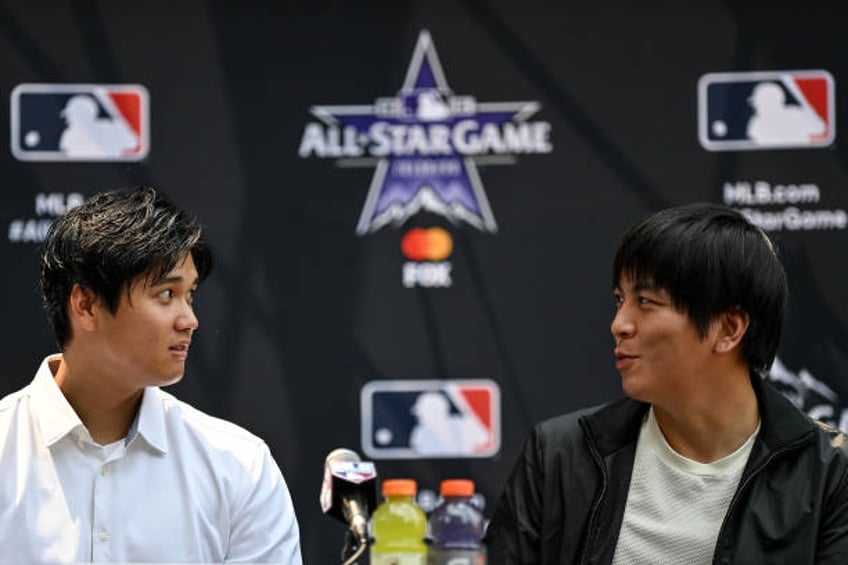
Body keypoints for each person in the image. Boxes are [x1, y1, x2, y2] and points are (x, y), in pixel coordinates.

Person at [484, 203, 848, 564]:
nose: (619, 324)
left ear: (728, 329)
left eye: (645, 301)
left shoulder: (829, 471)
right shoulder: (559, 456)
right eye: (620, 300)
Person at [0, 187, 302, 563]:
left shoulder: (240, 466)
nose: (190, 320)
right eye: (165, 294)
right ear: (87, 305)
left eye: (189, 295)